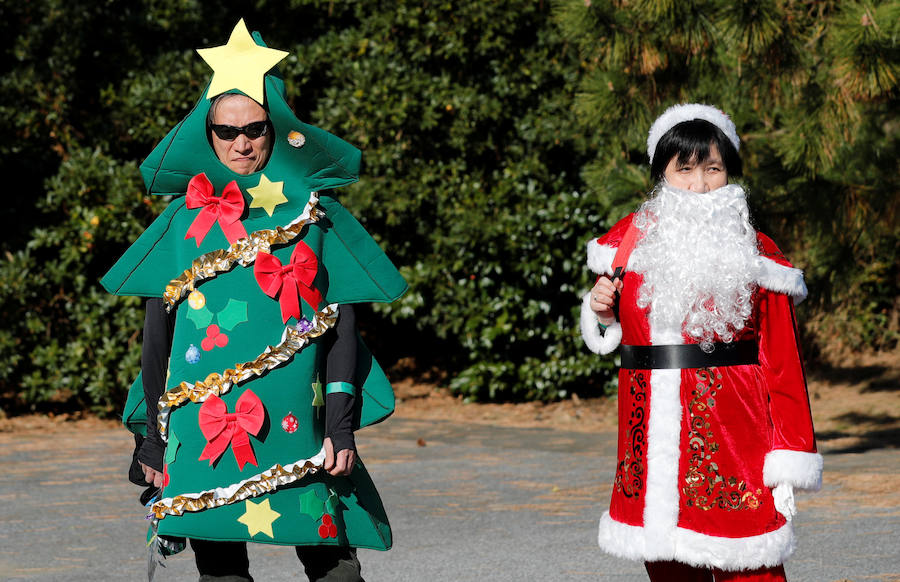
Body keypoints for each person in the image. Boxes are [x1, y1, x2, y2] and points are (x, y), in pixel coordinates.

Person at [105, 21, 406, 582]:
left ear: (275, 128)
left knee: (336, 568)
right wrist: (152, 437)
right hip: (203, 426)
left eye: (254, 128)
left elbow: (341, 327)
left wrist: (340, 424)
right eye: (226, 130)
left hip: (302, 424)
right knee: (220, 572)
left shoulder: (313, 217)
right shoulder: (180, 224)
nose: (241, 143)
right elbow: (158, 341)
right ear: (208, 134)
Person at [579, 104, 822, 582]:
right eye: (684, 169)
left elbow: (784, 361)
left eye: (713, 168)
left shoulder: (757, 252)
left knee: (749, 561)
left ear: (728, 173)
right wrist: (602, 310)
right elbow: (616, 331)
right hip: (648, 432)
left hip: (734, 432)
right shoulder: (628, 242)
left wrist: (790, 454)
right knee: (666, 559)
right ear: (662, 174)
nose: (699, 183)